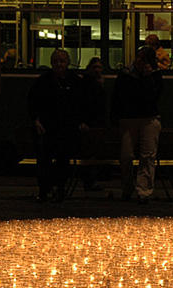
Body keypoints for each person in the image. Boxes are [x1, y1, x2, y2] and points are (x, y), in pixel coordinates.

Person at [27, 48, 85, 202]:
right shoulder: (45, 81)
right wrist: (36, 120)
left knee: (62, 160)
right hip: (49, 126)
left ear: (67, 63)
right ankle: (46, 189)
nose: (59, 64)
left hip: (66, 127)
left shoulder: (73, 81)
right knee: (45, 160)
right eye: (56, 61)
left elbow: (81, 104)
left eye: (62, 61)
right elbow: (33, 102)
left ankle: (58, 188)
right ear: (52, 63)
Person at [111, 46, 163, 203]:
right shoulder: (128, 75)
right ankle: (132, 188)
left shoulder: (152, 76)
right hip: (136, 118)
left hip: (142, 118)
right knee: (128, 156)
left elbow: (153, 97)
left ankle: (142, 191)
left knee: (146, 156)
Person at [80, 57, 108, 191]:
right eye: (95, 67)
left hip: (94, 122)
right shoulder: (91, 83)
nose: (97, 70)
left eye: (99, 68)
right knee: (91, 152)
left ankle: (90, 180)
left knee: (91, 152)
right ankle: (90, 180)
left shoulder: (86, 81)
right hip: (92, 122)